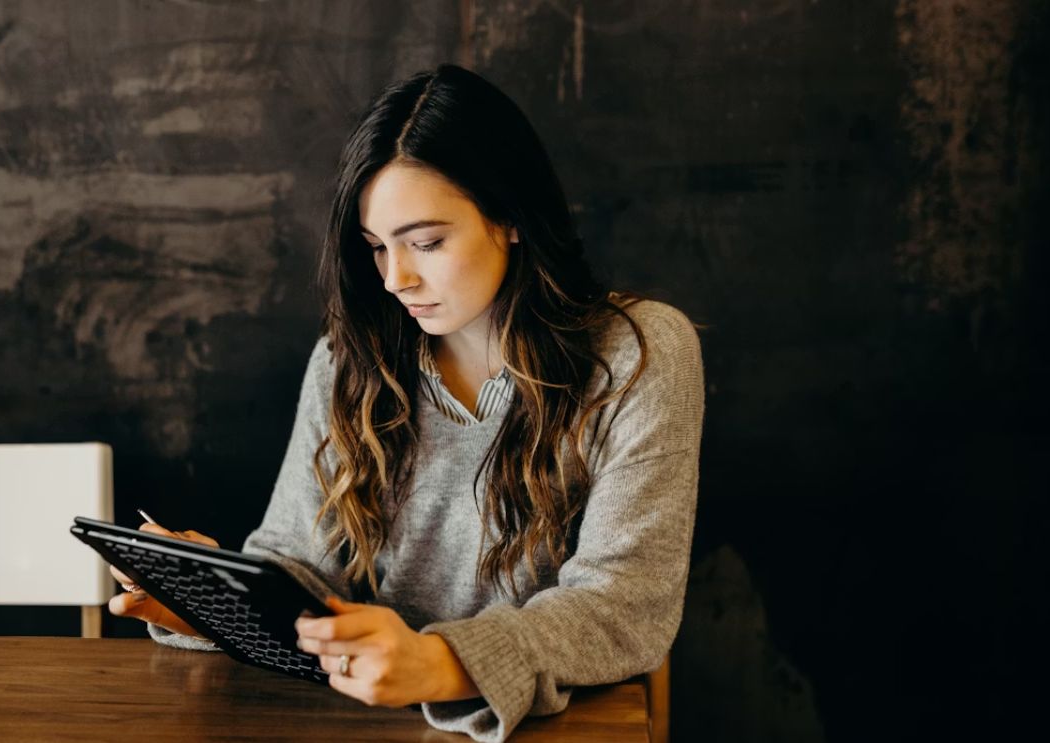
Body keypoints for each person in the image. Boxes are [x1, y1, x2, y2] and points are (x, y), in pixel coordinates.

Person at [107, 63, 704, 743]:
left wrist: (441, 661)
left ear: (509, 216)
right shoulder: (346, 361)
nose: (396, 279)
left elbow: (625, 603)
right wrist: (210, 601)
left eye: (426, 242)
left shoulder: (638, 353)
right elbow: (303, 569)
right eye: (376, 248)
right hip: (369, 724)